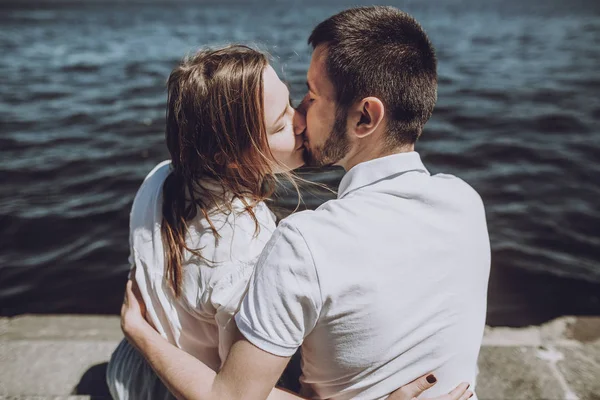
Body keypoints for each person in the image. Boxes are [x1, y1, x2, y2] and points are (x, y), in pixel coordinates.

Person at [108, 44, 472, 400]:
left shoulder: (162, 178)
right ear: (231, 158)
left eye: (291, 101)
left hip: (129, 372)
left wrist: (140, 332)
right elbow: (238, 394)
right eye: (281, 122)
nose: (301, 119)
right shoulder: (244, 252)